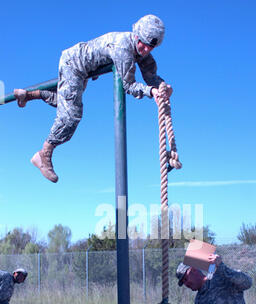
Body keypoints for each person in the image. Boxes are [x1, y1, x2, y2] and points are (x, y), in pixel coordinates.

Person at [13, 14, 172, 184]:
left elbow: (150, 74)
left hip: (83, 70)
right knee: (71, 116)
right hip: (73, 65)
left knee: (65, 103)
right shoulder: (123, 48)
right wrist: (151, 91)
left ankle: (28, 95)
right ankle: (43, 154)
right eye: (143, 44)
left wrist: (162, 87)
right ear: (136, 35)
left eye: (150, 47)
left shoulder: (141, 51)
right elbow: (128, 86)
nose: (146, 49)